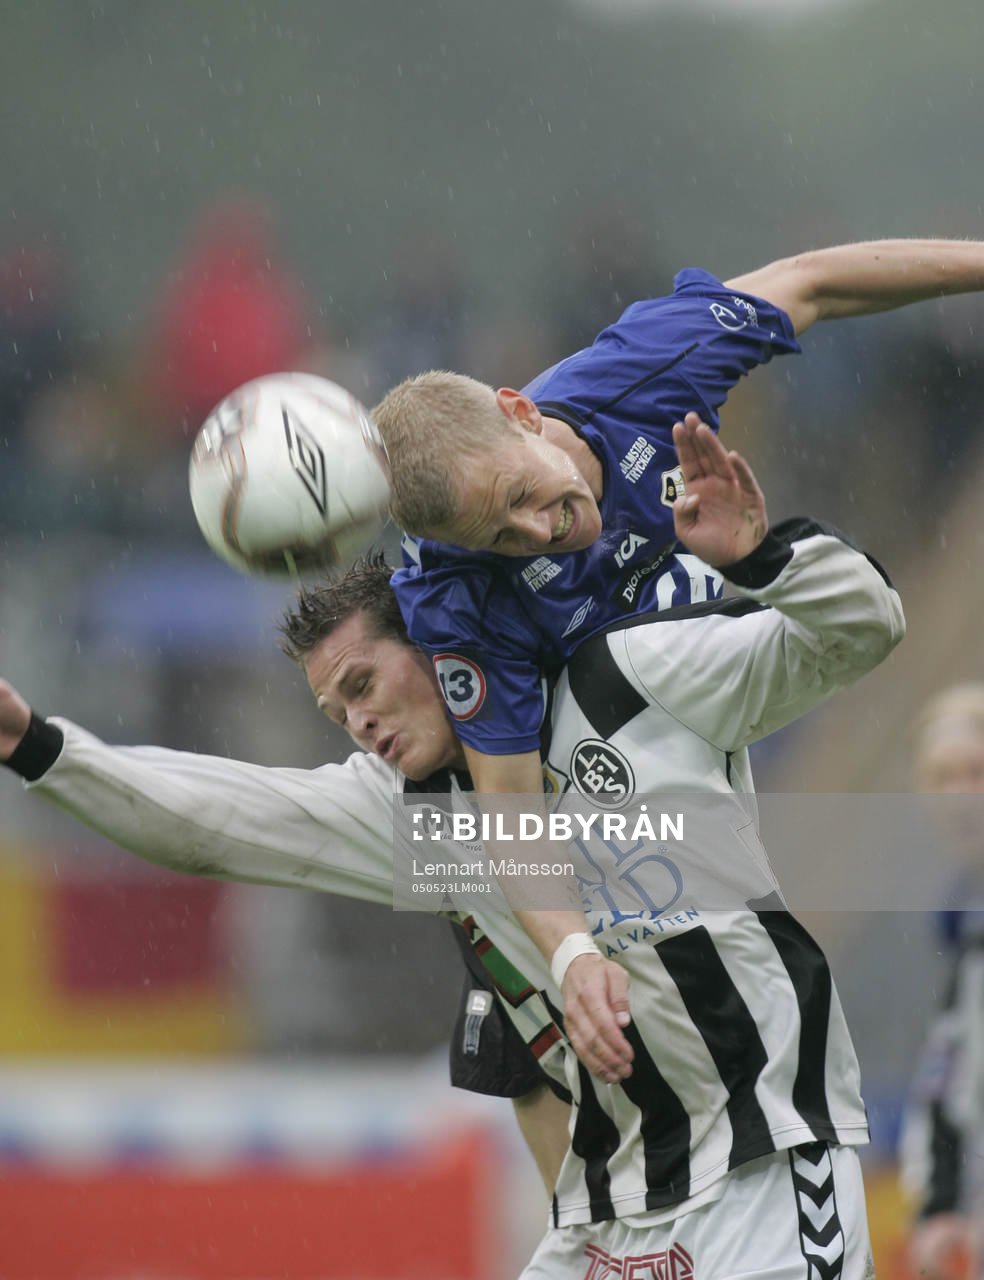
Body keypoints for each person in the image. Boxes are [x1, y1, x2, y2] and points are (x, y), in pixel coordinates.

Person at [2, 418, 904, 1276]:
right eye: (336, 712)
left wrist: (766, 558)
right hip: (615, 1211)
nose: (358, 723)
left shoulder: (632, 677)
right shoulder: (419, 817)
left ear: (440, 642)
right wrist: (35, 745)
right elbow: (218, 820)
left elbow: (867, 628)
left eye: (363, 683)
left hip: (764, 1164)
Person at [373, 237, 984, 1081]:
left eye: (521, 497)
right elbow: (509, 811)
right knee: (523, 1044)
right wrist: (572, 960)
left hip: (693, 727)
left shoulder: (642, 368)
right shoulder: (458, 591)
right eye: (498, 537)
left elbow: (817, 283)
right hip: (567, 812)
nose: (535, 533)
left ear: (520, 411)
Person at [901, 684, 984, 1280]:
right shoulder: (960, 918)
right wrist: (944, 1205)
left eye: (976, 773)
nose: (959, 798)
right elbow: (954, 1078)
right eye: (942, 779)